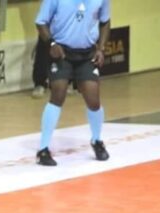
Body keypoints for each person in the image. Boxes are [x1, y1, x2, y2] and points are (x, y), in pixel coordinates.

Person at [34, 0, 110, 166]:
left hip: (87, 53)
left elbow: (105, 22)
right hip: (61, 52)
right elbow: (40, 22)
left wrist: (101, 49)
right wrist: (51, 43)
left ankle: (97, 141)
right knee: (58, 94)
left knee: (93, 100)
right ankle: (43, 149)